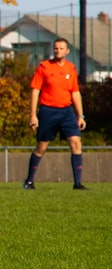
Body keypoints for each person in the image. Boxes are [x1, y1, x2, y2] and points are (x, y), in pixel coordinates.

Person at [24, 38, 87, 190]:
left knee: (76, 142)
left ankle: (77, 183)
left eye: (61, 48)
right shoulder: (44, 67)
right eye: (56, 48)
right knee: (42, 147)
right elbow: (35, 91)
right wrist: (33, 114)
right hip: (48, 111)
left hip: (67, 112)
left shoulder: (71, 69)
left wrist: (81, 115)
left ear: (67, 51)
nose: (58, 51)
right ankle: (29, 181)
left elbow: (75, 93)